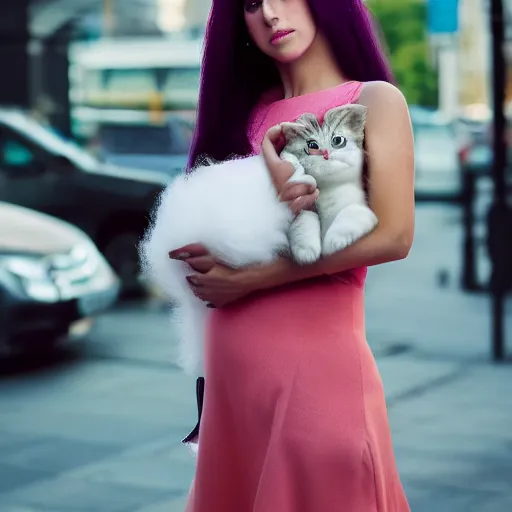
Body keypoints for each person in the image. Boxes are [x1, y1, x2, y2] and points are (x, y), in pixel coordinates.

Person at [169, 0, 414, 510]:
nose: (272, 14)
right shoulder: (244, 116)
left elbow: (394, 236)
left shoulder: (373, 101)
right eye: (252, 4)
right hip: (233, 383)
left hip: (316, 376)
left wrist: (252, 278)